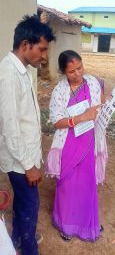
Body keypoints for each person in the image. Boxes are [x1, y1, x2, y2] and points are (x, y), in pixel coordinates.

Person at [0, 14, 55, 255]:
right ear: (25, 45)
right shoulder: (9, 75)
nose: (44, 56)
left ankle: (17, 242)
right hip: (21, 163)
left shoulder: (21, 70)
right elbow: (10, 128)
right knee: (30, 208)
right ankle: (29, 248)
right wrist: (29, 166)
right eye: (42, 49)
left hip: (26, 159)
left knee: (24, 205)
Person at [46, 50, 108, 242]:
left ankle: (88, 222)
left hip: (89, 141)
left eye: (80, 67)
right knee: (67, 186)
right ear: (64, 72)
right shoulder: (60, 91)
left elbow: (101, 105)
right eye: (72, 71)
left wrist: (104, 107)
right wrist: (81, 117)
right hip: (69, 143)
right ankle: (66, 225)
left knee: (87, 186)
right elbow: (56, 122)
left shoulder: (93, 83)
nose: (78, 73)